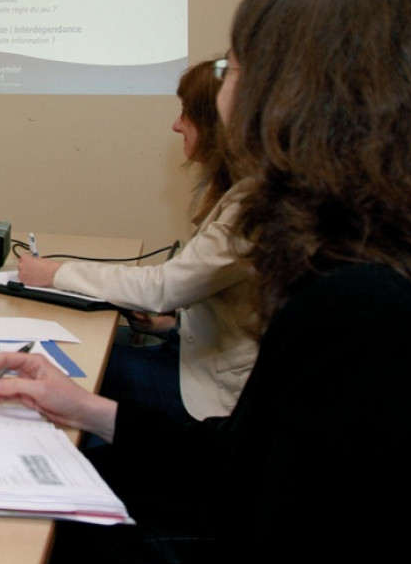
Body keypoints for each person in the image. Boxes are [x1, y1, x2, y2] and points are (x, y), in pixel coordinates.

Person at [0, 0, 411, 564]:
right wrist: (80, 406)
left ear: (296, 92)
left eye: (231, 66)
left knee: (29, 521)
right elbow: (243, 457)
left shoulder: (360, 306)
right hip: (219, 499)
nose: (221, 88)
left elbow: (265, 519)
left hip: (219, 538)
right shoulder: (359, 259)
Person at [15, 60, 259, 422]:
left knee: (65, 362)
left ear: (216, 124)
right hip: (194, 357)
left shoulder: (251, 206)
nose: (177, 126)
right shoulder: (240, 191)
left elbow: (164, 287)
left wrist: (53, 273)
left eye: (186, 114)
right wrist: (171, 324)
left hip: (212, 393)